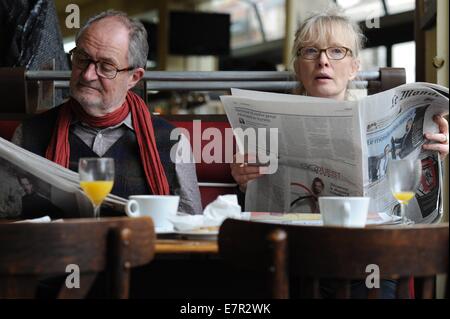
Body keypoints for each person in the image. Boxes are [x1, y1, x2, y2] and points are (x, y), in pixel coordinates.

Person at [230, 6, 449, 299]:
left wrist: (432, 157)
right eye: (310, 51)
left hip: (369, 262)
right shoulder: (265, 124)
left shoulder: (387, 120)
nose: (323, 61)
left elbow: (407, 204)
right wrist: (244, 183)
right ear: (297, 66)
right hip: (294, 260)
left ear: (354, 66)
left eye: (336, 51)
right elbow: (254, 213)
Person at [12, 10, 202, 215]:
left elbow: (190, 224)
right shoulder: (28, 136)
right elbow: (7, 215)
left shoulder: (172, 141)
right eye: (82, 58)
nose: (88, 74)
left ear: (134, 77)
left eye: (106, 66)